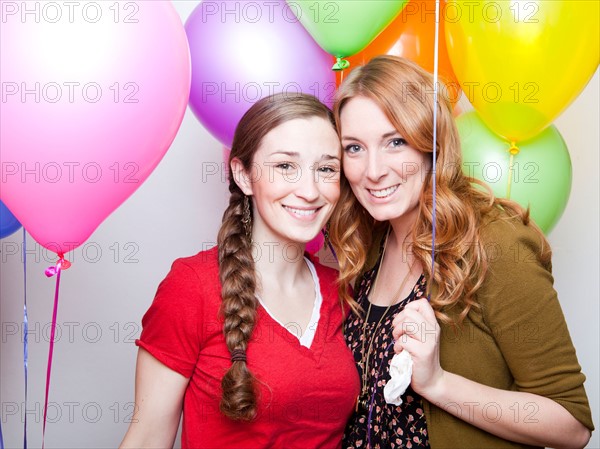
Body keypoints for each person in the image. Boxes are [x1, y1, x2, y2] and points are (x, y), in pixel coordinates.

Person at [328, 56, 594, 449]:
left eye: (395, 141)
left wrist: (438, 383)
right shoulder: (368, 243)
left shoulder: (495, 243)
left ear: (430, 144)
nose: (373, 170)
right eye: (354, 148)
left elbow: (571, 424)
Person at [120, 92, 359, 449]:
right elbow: (147, 438)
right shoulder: (192, 287)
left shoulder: (341, 291)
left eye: (326, 169)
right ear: (243, 175)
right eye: (284, 166)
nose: (310, 191)